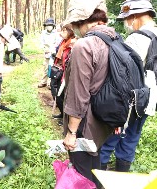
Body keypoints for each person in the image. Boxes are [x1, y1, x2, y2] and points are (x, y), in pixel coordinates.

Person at [62, 0, 114, 188]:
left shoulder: (84, 46)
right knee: (95, 166)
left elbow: (78, 95)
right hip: (105, 120)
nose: (74, 29)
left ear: (81, 22)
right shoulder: (115, 40)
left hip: (85, 123)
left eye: (74, 25)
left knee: (81, 172)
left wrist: (71, 133)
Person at [100, 0, 157, 172]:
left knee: (108, 139)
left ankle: (97, 180)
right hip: (149, 99)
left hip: (130, 99)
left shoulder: (137, 38)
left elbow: (123, 74)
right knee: (131, 138)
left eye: (128, 18)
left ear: (136, 17)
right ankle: (122, 178)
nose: (126, 23)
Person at [50, 24, 76, 126]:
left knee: (63, 95)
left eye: (64, 31)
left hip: (66, 74)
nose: (62, 33)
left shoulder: (73, 43)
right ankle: (62, 113)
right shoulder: (63, 42)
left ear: (70, 31)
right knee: (56, 92)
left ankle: (67, 119)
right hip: (58, 70)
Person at [38, 18, 59, 88]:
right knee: (46, 68)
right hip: (46, 53)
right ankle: (43, 82)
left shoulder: (56, 33)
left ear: (53, 26)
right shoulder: (43, 33)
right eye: (48, 25)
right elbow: (41, 43)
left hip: (54, 54)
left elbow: (57, 43)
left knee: (52, 68)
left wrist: (52, 50)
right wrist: (44, 48)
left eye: (50, 25)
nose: (49, 26)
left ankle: (50, 83)